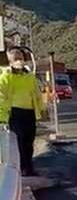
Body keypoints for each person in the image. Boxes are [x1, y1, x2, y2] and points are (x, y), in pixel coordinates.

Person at [0, 48, 44, 177]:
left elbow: (36, 94)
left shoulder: (29, 76)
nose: (19, 61)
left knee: (29, 142)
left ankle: (28, 168)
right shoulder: (6, 77)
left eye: (20, 58)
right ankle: (21, 169)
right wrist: (2, 116)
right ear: (10, 61)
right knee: (19, 142)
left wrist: (41, 109)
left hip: (29, 113)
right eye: (16, 59)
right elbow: (1, 96)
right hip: (15, 113)